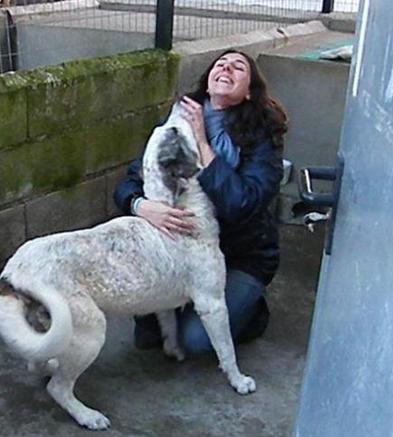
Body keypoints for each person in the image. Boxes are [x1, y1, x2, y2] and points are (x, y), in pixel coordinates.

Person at [113, 49, 288, 356]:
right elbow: (132, 179)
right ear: (208, 82)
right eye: (221, 64)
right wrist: (140, 205)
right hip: (183, 244)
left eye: (238, 68)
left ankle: (251, 310)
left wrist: (203, 145)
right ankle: (182, 298)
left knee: (195, 341)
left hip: (241, 253)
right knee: (149, 333)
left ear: (249, 92)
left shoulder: (262, 136)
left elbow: (242, 205)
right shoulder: (177, 120)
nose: (226, 69)